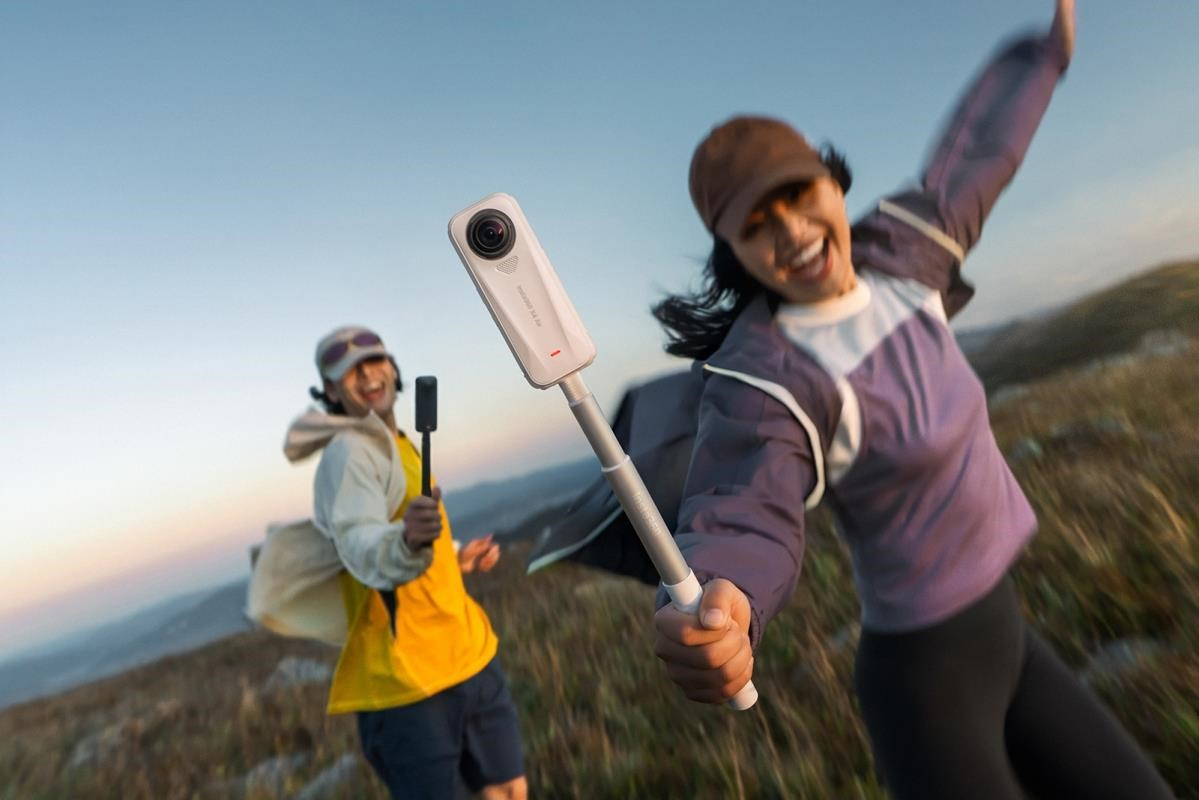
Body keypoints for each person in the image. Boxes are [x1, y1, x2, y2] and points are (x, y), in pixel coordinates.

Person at [649, 2, 1176, 798]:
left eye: (797, 193)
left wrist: (1041, 58)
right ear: (737, 254)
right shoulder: (768, 381)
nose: (790, 230)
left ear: (832, 181)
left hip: (1005, 632)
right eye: (757, 225)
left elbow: (977, 152)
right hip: (925, 685)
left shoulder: (908, 253)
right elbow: (742, 508)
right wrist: (725, 597)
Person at [283, 325, 527, 800]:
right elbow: (359, 542)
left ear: (393, 369)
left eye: (374, 361)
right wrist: (409, 542)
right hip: (407, 686)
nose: (367, 375)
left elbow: (401, 530)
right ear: (330, 391)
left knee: (508, 791)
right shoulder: (349, 452)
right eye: (349, 372)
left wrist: (455, 557)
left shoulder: (397, 443)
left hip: (468, 653)